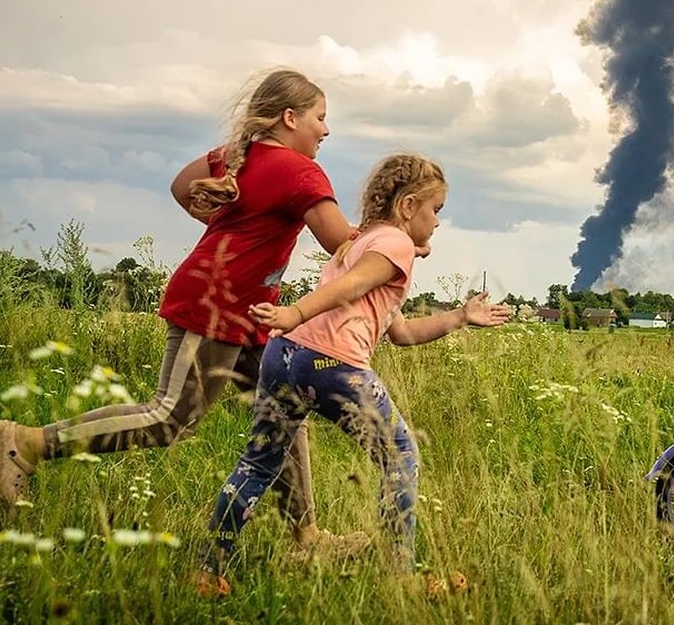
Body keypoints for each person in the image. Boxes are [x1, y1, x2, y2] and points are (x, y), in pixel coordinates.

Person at [0, 68, 365, 553]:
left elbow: (180, 185)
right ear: (291, 118)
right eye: (321, 117)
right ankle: (31, 442)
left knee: (285, 411)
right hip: (214, 305)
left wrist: (227, 224)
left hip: (249, 313)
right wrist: (398, 237)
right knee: (171, 418)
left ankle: (306, 537)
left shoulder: (240, 157)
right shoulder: (299, 170)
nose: (326, 129)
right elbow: (342, 244)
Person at [193, 152, 510, 597]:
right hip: (331, 363)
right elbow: (354, 285)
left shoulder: (362, 242)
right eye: (435, 210)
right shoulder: (393, 245)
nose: (437, 223)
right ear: (407, 206)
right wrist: (295, 310)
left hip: (285, 355)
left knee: (259, 462)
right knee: (400, 457)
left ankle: (209, 569)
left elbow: (400, 332)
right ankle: (402, 579)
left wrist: (460, 316)